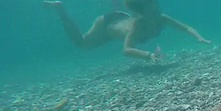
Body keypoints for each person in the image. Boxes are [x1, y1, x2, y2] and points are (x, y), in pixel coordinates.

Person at [44, 0, 211, 62]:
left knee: (122, 19)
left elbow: (185, 27)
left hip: (123, 17)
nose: (157, 10)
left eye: (157, 6)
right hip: (106, 25)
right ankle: (60, 10)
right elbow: (126, 49)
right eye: (152, 9)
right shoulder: (137, 25)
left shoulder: (162, 18)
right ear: (142, 13)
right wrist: (148, 55)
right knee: (82, 43)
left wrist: (200, 38)